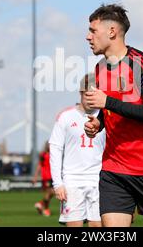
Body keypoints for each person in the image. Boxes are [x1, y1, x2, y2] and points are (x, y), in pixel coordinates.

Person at [84, 4, 143, 227]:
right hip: (113, 169)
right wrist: (100, 123)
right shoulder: (99, 69)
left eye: (93, 31)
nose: (88, 37)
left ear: (112, 31)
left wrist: (108, 102)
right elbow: (112, 110)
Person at [49, 73, 106, 227]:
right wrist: (57, 183)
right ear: (81, 93)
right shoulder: (66, 117)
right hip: (72, 183)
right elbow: (55, 149)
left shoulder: (106, 118)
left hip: (99, 182)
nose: (90, 99)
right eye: (87, 94)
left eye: (94, 95)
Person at [32, 141, 54, 217]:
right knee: (49, 192)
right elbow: (39, 166)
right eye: (49, 145)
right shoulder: (43, 155)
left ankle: (41, 204)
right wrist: (35, 177)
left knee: (52, 193)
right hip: (46, 177)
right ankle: (46, 209)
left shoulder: (54, 154)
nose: (50, 146)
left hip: (52, 177)